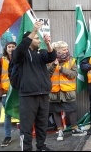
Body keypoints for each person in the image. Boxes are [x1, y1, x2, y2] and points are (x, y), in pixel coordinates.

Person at [13, 21, 56, 151]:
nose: (39, 40)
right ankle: (26, 148)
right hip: (28, 95)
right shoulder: (21, 54)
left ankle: (41, 146)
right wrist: (34, 31)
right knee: (26, 126)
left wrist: (48, 44)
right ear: (29, 39)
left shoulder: (40, 52)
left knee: (42, 124)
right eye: (37, 38)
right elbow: (17, 53)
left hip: (43, 94)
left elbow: (51, 57)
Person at [47, 41, 86, 141]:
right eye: (64, 49)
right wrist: (53, 66)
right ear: (57, 51)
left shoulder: (72, 60)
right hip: (54, 90)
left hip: (68, 90)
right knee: (56, 111)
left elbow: (74, 74)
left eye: (67, 49)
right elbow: (46, 75)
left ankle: (75, 128)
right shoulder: (49, 60)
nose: (67, 51)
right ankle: (60, 130)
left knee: (72, 109)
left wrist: (61, 69)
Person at [0, 41, 16, 147]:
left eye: (13, 47)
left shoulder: (20, 58)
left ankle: (25, 133)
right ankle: (7, 136)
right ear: (6, 48)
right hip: (6, 91)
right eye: (9, 47)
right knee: (8, 115)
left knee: (23, 113)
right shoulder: (0, 60)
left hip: (18, 91)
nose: (11, 48)